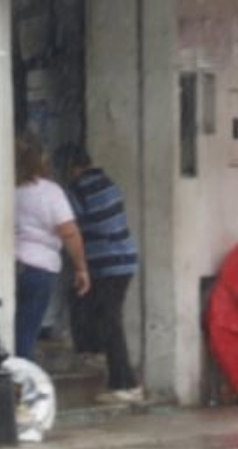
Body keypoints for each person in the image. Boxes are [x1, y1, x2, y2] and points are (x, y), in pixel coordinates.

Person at [53, 143, 143, 404]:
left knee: (111, 321)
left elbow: (70, 225)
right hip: (124, 259)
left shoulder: (78, 189)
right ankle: (96, 354)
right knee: (102, 312)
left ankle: (124, 382)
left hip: (107, 263)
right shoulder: (108, 183)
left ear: (72, 168)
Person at [13, 134, 91, 362]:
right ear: (41, 160)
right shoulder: (49, 192)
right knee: (27, 330)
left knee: (9, 327)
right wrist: (81, 268)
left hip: (9, 265)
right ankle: (21, 382)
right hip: (39, 266)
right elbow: (69, 231)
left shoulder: (6, 189)